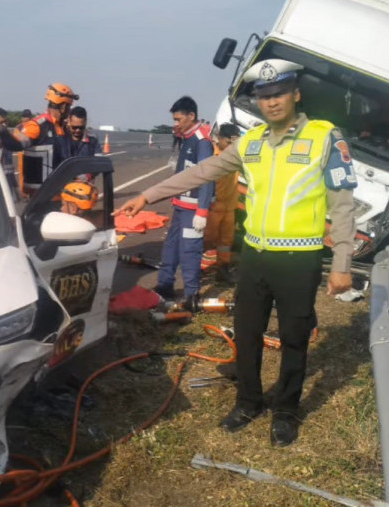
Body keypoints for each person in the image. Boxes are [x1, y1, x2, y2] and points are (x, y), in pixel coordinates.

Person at [114, 59, 357, 447]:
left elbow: (344, 206)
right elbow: (201, 172)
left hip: (300, 259)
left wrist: (342, 263)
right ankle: (248, 403)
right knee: (247, 334)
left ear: (295, 95)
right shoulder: (252, 142)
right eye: (264, 96)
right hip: (255, 258)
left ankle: (286, 411)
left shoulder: (325, 138)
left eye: (279, 94)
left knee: (294, 338)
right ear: (258, 102)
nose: (272, 102)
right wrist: (148, 194)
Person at [153, 96, 214, 304]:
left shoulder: (201, 141)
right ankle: (164, 286)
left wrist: (202, 212)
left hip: (193, 210)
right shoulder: (187, 137)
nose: (175, 124)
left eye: (179, 119)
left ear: (191, 116)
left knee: (190, 251)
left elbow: (207, 176)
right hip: (180, 207)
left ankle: (191, 295)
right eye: (174, 120)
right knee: (170, 248)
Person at [201, 123, 240, 281]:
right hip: (213, 208)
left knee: (226, 241)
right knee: (206, 240)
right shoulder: (210, 156)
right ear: (220, 139)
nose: (232, 146)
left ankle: (222, 269)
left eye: (234, 143)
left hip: (229, 207)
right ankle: (198, 269)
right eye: (229, 143)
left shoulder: (236, 157)